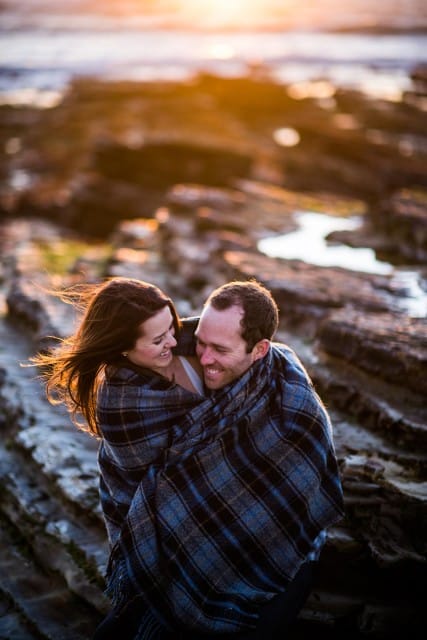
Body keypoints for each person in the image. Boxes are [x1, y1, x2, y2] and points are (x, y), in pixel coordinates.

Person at [33, 277, 344, 640]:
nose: (182, 345)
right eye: (158, 339)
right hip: (168, 534)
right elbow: (156, 488)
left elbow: (303, 463)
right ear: (123, 347)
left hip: (263, 531)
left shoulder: (277, 378)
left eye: (173, 328)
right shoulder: (123, 404)